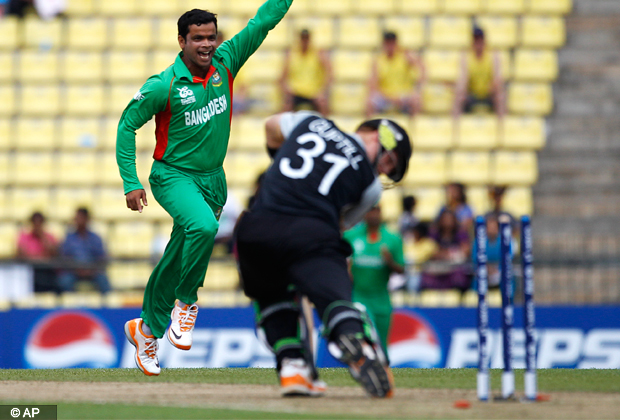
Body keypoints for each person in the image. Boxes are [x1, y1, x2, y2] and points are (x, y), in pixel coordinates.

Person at [116, 3, 294, 377]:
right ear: (181, 41)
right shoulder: (164, 84)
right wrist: (131, 182)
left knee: (178, 254)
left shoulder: (226, 63)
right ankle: (187, 303)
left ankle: (146, 329)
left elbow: (262, 22)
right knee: (203, 228)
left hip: (213, 180)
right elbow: (126, 125)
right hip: (172, 176)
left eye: (211, 37)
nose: (206, 44)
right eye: (198, 38)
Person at [235, 111, 412, 398]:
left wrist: (279, 159)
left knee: (272, 297)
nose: (382, 170)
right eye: (389, 162)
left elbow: (270, 126)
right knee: (335, 298)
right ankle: (355, 338)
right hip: (310, 232)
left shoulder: (311, 121)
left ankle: (293, 368)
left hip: (256, 228)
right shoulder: (370, 186)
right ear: (379, 137)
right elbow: (340, 225)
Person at [344, 205, 404, 360]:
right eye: (370, 210)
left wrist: (390, 261)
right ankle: (366, 364)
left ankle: (384, 372)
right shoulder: (351, 237)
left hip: (382, 297)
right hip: (359, 296)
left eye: (376, 211)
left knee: (382, 343)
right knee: (368, 333)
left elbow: (402, 269)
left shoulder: (392, 239)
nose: (373, 215)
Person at [366, 31, 425, 117]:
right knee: (370, 102)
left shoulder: (405, 57)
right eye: (388, 43)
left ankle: (415, 127)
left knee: (416, 101)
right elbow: (373, 83)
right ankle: (370, 127)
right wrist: (387, 96)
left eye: (392, 43)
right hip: (385, 95)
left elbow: (421, 70)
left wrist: (416, 89)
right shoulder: (379, 60)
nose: (390, 46)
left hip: (404, 94)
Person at [453, 27, 505, 118]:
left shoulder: (492, 57)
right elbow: (464, 79)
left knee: (500, 95)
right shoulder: (467, 58)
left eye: (480, 40)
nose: (478, 44)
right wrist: (463, 91)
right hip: (473, 93)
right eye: (476, 40)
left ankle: (502, 127)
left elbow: (497, 78)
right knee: (459, 96)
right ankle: (455, 127)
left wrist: (492, 88)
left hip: (489, 93)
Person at [58, 208, 111, 294]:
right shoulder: (69, 238)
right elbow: (64, 257)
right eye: (77, 218)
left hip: (93, 271)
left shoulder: (95, 238)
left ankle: (105, 306)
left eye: (81, 218)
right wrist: (77, 269)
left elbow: (101, 258)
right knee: (64, 282)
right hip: (74, 272)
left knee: (104, 281)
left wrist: (90, 270)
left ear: (87, 219)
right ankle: (71, 305)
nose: (78, 221)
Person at [280, 29, 332, 115]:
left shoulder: (318, 53)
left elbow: (329, 72)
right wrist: (287, 89)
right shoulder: (292, 54)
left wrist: (322, 90)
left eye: (306, 39)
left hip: (314, 91)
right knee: (286, 107)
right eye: (303, 39)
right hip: (296, 91)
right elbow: (282, 76)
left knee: (322, 104)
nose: (304, 41)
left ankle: (325, 126)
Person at [420, 210, 471, 291]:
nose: (447, 222)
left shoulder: (461, 233)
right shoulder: (434, 234)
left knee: (460, 276)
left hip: (454, 268)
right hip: (437, 269)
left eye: (450, 219)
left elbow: (465, 251)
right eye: (445, 219)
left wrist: (444, 254)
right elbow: (429, 252)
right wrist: (451, 253)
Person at [16, 211, 59, 293]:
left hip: (46, 271)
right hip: (29, 270)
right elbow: (21, 255)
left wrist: (42, 237)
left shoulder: (49, 237)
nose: (37, 225)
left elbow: (54, 254)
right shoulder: (24, 237)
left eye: (39, 222)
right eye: (35, 222)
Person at [403, 222, 437, 292]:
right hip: (405, 270)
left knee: (413, 282)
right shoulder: (408, 242)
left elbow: (425, 258)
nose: (413, 233)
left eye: (415, 231)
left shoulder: (429, 244)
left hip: (419, 272)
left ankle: (413, 300)